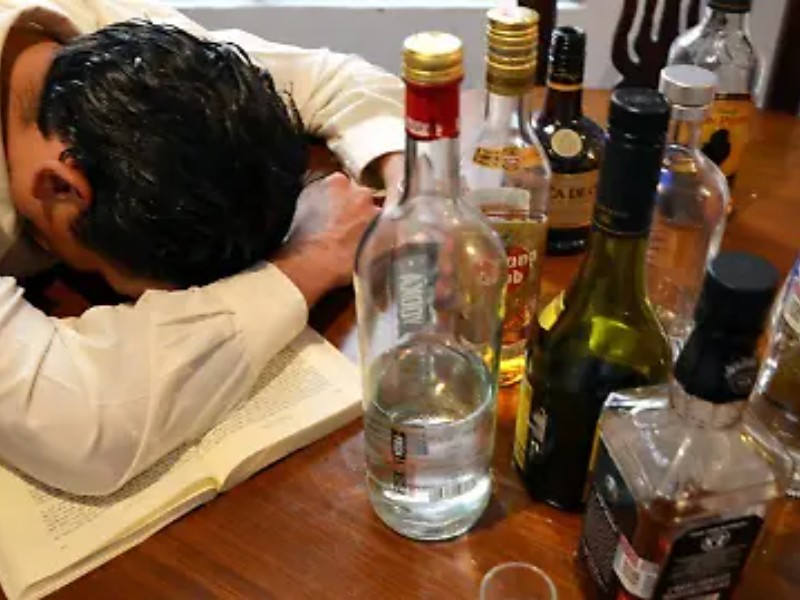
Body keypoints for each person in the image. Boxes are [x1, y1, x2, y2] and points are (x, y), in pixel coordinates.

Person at [0, 0, 405, 495]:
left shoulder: (128, 45)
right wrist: (307, 261)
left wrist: (412, 199)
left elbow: (333, 79)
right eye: (116, 279)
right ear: (59, 186)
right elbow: (81, 429)